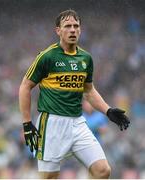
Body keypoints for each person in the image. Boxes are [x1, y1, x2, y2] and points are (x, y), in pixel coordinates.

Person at [19, 9, 130, 179]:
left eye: (76, 26)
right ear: (58, 30)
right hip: (52, 124)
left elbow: (89, 91)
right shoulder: (47, 57)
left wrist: (108, 111)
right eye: (68, 26)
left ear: (80, 29)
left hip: (78, 122)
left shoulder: (86, 59)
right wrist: (27, 124)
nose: (72, 30)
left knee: (103, 170)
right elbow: (25, 86)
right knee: (49, 177)